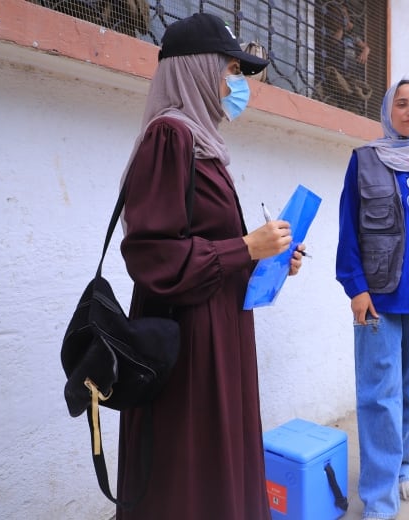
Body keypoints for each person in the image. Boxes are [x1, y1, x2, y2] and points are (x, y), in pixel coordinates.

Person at [115, 13, 305, 519]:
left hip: (218, 333)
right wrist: (245, 248)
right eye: (230, 70)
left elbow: (212, 245)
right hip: (188, 348)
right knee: (189, 480)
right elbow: (153, 257)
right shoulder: (169, 138)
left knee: (218, 473)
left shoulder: (203, 143)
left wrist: (267, 258)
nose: (236, 84)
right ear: (198, 71)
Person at [336, 79, 409, 519]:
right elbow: (348, 228)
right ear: (388, 111)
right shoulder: (363, 161)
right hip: (377, 301)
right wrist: (355, 288)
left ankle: (402, 466)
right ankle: (379, 498)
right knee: (377, 397)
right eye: (402, 104)